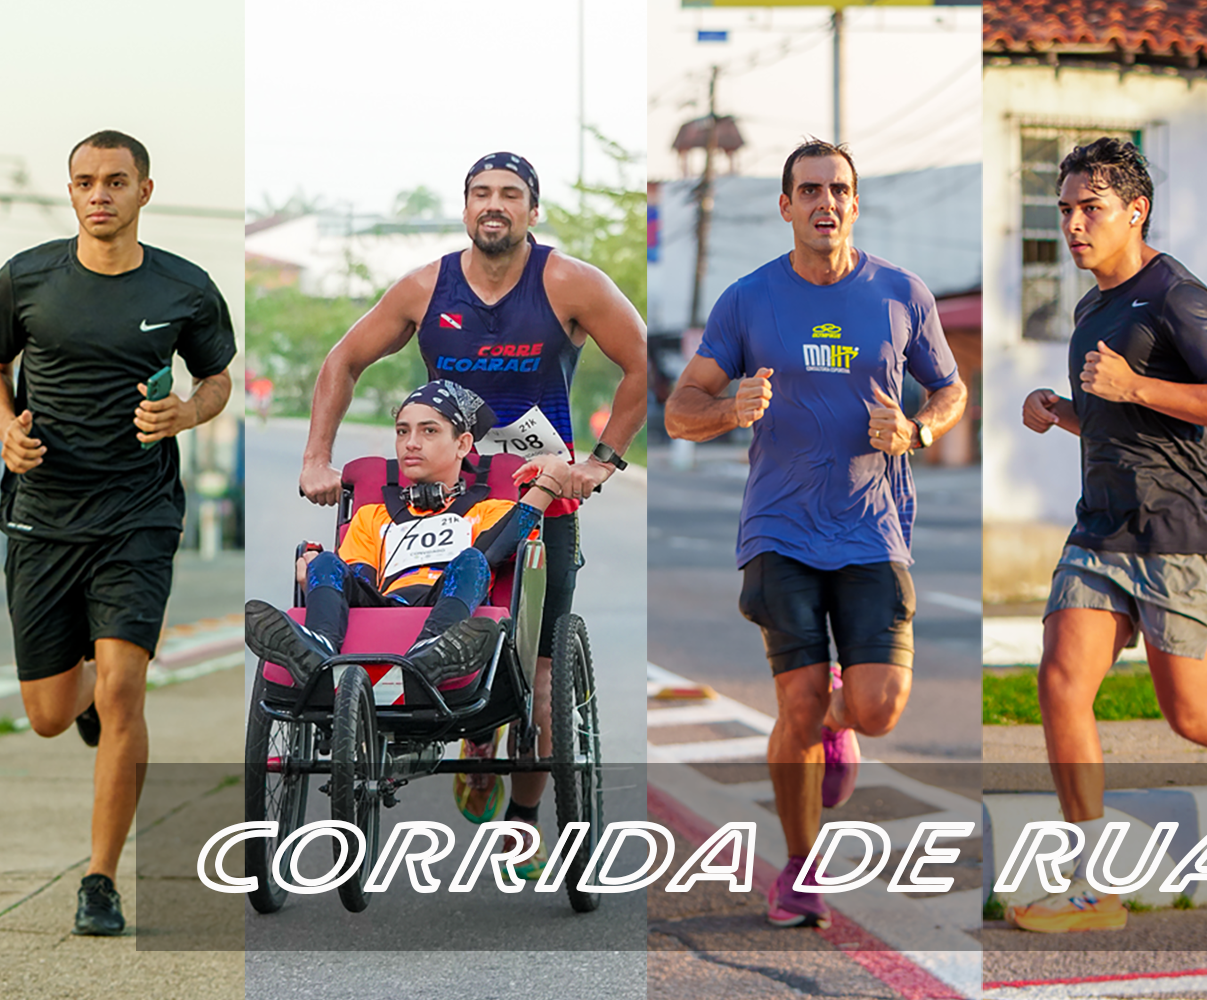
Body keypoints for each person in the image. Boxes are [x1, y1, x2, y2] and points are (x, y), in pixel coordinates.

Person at [297, 151, 648, 876]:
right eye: (481, 193)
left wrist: (602, 462)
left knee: (543, 672)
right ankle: (468, 727)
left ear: (532, 210)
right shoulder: (427, 286)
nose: (495, 205)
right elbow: (341, 360)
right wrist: (316, 459)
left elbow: (643, 362)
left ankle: (522, 818)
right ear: (465, 208)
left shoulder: (570, 283)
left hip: (534, 491)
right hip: (445, 492)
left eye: (510, 194)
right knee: (412, 592)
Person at [663, 138, 967, 929]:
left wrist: (919, 429)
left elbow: (951, 387)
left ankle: (842, 723)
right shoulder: (748, 300)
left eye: (838, 189)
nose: (825, 201)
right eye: (809, 190)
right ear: (786, 206)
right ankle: (799, 870)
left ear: (854, 203)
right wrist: (730, 410)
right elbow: (680, 408)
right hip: (780, 526)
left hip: (873, 527)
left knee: (879, 707)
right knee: (792, 710)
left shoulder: (903, 293)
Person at [1007, 138, 1207, 933]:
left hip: (1180, 529)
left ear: (1135, 212)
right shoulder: (1090, 307)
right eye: (1065, 209)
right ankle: (1091, 883)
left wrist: (1134, 383)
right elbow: (1126, 421)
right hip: (1101, 525)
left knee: (1194, 716)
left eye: (1090, 209)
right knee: (1062, 681)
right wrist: (1064, 411)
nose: (1073, 224)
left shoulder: (1177, 294)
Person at [0, 130, 235, 936]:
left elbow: (217, 376)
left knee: (124, 689)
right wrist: (5, 422)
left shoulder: (185, 287)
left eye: (116, 182)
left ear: (144, 191)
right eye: (86, 181)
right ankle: (77, 698)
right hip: (43, 515)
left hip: (138, 513)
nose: (100, 195)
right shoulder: (29, 276)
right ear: (72, 190)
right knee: (50, 714)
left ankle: (101, 879)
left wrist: (188, 411)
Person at [247, 380, 569, 682]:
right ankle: (315, 649)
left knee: (472, 560)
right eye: (402, 432)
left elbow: (496, 549)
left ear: (463, 444)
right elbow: (358, 575)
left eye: (429, 431)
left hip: (451, 606)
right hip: (381, 606)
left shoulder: (488, 509)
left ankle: (435, 650)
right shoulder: (372, 515)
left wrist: (550, 480)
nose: (411, 444)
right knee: (326, 562)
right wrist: (317, 573)